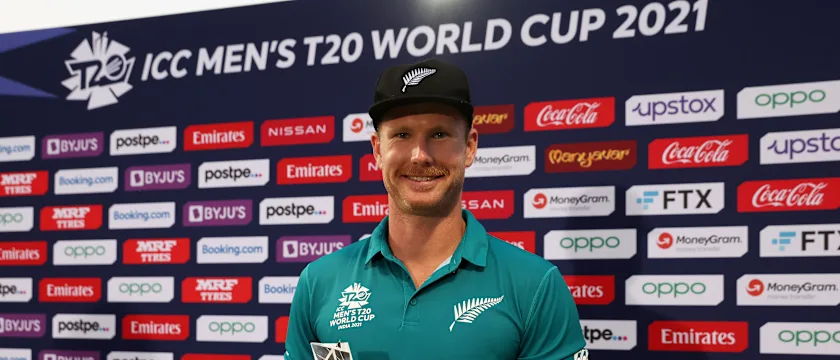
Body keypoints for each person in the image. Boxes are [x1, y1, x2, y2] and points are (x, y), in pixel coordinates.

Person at [284, 58, 588, 360]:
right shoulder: (319, 281)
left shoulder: (535, 285)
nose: (420, 155)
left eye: (439, 134)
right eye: (402, 135)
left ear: (469, 147)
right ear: (378, 150)